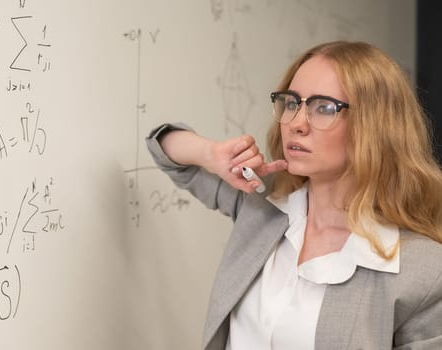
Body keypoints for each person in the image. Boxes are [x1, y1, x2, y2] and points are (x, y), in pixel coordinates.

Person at [146, 41, 442, 350]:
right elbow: (164, 149)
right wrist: (212, 154)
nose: (297, 124)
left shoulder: (424, 270)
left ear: (375, 125)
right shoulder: (263, 203)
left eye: (323, 107)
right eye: (291, 103)